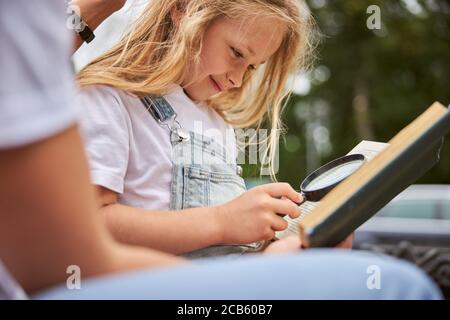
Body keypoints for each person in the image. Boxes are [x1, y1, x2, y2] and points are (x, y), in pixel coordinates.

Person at [0, 0, 441, 300]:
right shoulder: (110, 100)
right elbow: (92, 225)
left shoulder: (217, 124)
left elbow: (226, 251)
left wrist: (288, 246)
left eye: (252, 67)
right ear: (184, 11)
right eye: (235, 52)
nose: (238, 78)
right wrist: (220, 221)